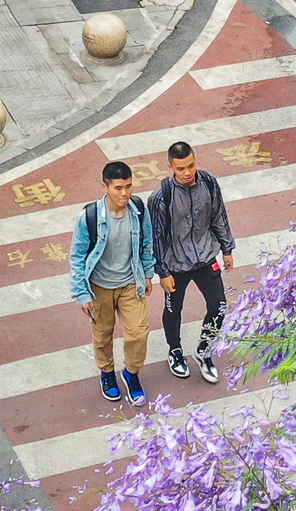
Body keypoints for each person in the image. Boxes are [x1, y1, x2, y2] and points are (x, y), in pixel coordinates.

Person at [148, 142, 235, 383]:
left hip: (206, 257)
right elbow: (156, 237)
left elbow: (218, 215)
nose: (187, 172)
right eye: (180, 168)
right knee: (173, 309)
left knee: (219, 306)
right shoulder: (160, 197)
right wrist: (162, 272)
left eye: (191, 165)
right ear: (170, 167)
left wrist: (226, 248)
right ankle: (175, 351)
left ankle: (204, 350)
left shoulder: (208, 183)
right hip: (175, 264)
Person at [69, 161, 154, 405]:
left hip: (130, 282)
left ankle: (131, 373)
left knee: (138, 333)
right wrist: (82, 293)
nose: (124, 193)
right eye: (118, 188)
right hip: (99, 286)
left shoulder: (138, 210)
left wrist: (148, 273)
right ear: (105, 187)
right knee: (103, 334)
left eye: (128, 186)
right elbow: (77, 256)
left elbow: (146, 242)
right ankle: (107, 373)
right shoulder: (90, 217)